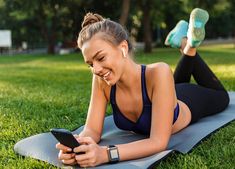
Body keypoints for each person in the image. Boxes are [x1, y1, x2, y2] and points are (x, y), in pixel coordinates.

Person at [56, 8, 230, 167]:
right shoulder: (101, 80)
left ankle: (189, 45)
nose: (96, 69)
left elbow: (158, 142)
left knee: (222, 97)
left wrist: (105, 154)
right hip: (164, 92)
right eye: (90, 64)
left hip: (188, 99)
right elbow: (92, 130)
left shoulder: (159, 72)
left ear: (123, 48)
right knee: (173, 85)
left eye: (100, 58)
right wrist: (79, 146)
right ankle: (184, 42)